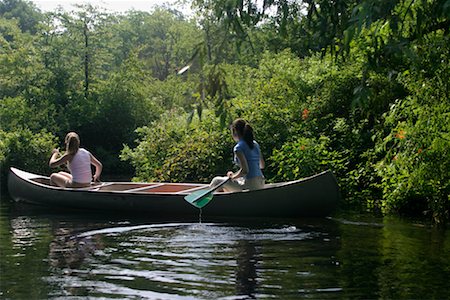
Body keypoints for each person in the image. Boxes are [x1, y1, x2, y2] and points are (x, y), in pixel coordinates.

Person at [211, 118, 265, 192]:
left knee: (216, 181)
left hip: (250, 185)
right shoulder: (255, 144)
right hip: (261, 182)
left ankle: (218, 202)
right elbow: (262, 165)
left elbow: (245, 170)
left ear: (235, 132)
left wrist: (233, 177)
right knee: (229, 180)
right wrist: (235, 176)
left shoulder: (238, 148)